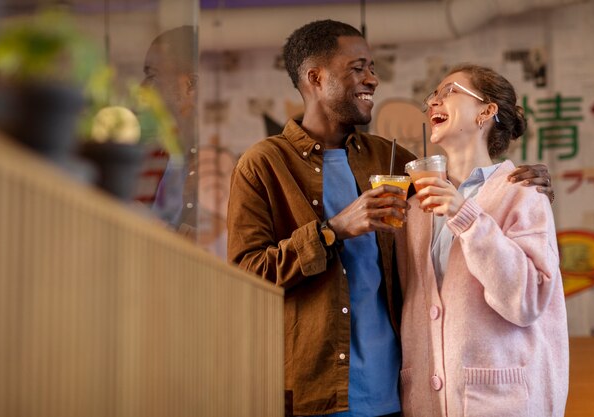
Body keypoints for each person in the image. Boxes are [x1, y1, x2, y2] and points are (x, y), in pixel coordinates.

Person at [227, 20, 553, 417]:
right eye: (358, 68)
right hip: (314, 395)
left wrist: (518, 177)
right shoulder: (263, 165)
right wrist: (333, 231)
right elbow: (244, 276)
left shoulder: (392, 160)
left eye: (373, 68)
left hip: (399, 394)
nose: (373, 80)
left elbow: (465, 192)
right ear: (315, 77)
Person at [397, 64, 568, 417]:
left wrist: (465, 214)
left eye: (449, 92)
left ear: (486, 111)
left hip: (502, 404)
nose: (433, 102)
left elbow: (527, 300)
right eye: (433, 95)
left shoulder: (523, 194)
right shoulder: (416, 209)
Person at [137, 25, 198, 238]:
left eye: (153, 77)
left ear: (191, 84)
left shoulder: (225, 167)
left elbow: (227, 251)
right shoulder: (145, 154)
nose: (143, 88)